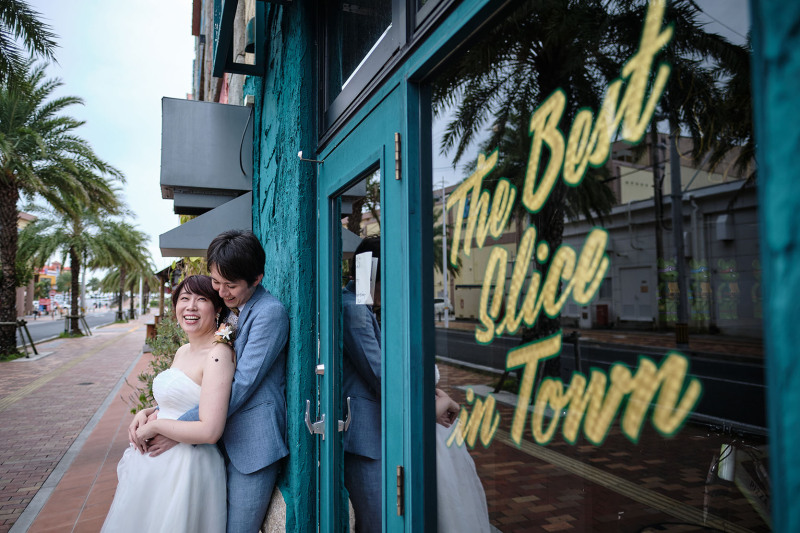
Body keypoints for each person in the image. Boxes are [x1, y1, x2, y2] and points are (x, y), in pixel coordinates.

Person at [143, 230, 289, 533]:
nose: (221, 292)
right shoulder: (234, 312)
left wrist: (178, 429)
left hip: (252, 446)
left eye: (230, 285)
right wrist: (158, 412)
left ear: (257, 278)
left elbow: (242, 384)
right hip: (218, 445)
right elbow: (209, 383)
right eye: (216, 282)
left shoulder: (269, 313)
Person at [102, 275, 235, 532]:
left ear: (217, 308)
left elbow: (210, 430)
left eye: (202, 299)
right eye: (184, 298)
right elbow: (179, 401)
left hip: (187, 467)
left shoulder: (218, 354)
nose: (190, 307)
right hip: (154, 466)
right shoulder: (183, 350)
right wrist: (147, 412)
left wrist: (156, 426)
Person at [342, 236, 382, 532]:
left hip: (365, 432)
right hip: (363, 437)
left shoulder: (362, 305)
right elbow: (378, 372)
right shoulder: (355, 309)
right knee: (374, 520)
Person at [433, 365, 491, 533]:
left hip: (444, 438)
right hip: (433, 440)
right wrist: (447, 403)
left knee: (455, 492)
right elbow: (417, 412)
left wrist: (444, 400)